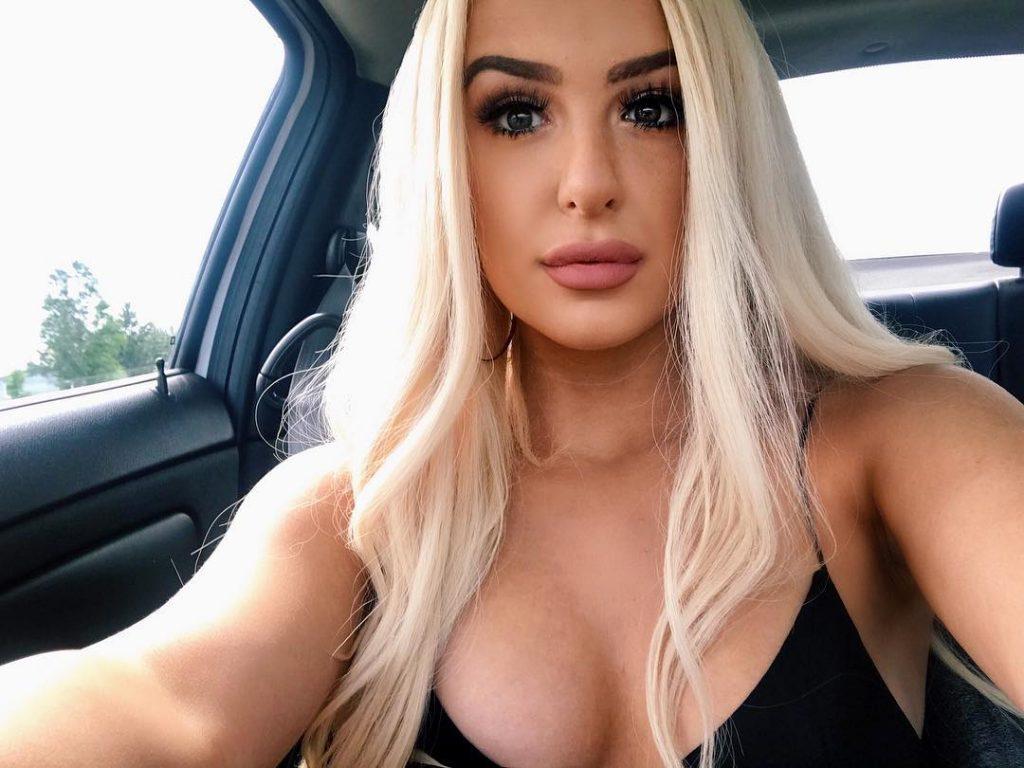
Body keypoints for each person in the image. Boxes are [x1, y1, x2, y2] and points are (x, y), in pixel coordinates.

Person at [2, 0, 1023, 767]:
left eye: (651, 107)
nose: (587, 181)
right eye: (517, 112)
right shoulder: (358, 512)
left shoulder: (906, 437)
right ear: (445, 163)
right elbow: (155, 703)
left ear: (727, 145)